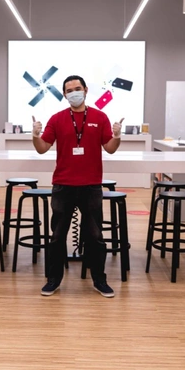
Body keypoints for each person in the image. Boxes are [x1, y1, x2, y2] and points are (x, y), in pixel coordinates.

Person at [31, 75, 124, 298]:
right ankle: (53, 280)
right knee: (57, 236)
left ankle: (99, 280)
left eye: (77, 88)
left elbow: (110, 148)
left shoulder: (99, 117)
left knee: (95, 236)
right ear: (64, 94)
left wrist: (118, 136)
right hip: (63, 185)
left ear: (86, 90)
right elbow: (42, 148)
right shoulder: (57, 119)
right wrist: (34, 135)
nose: (74, 92)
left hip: (91, 186)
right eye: (69, 90)